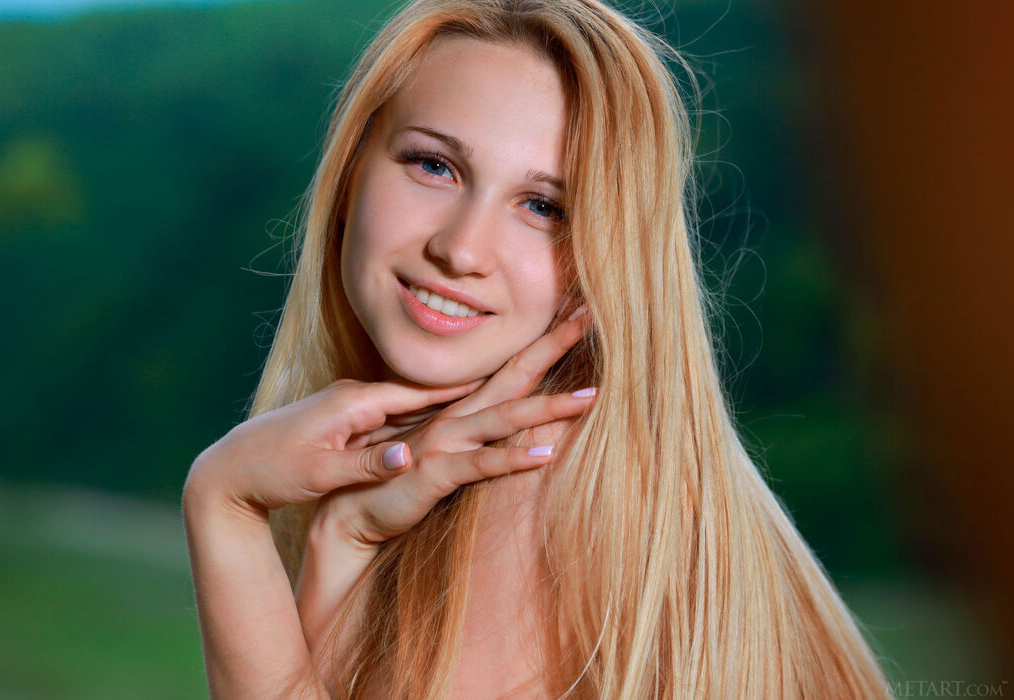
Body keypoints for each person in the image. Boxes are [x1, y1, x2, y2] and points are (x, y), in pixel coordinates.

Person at [182, 0, 893, 697]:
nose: (460, 250)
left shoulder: (547, 472)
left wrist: (224, 503)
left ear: (606, 256)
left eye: (544, 207)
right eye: (434, 165)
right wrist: (346, 540)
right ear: (348, 178)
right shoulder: (466, 468)